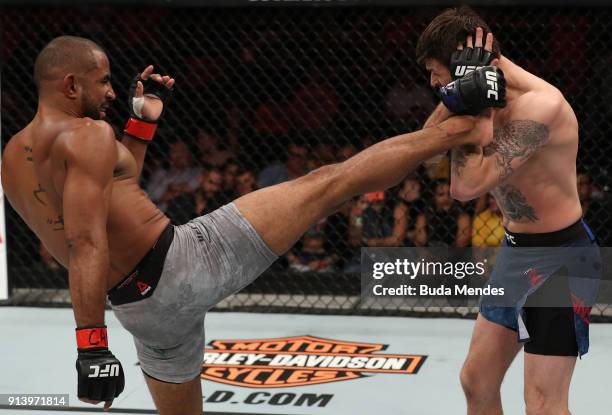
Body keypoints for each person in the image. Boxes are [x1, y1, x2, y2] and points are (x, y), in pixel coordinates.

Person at [1, 36, 493, 415]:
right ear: (69, 85)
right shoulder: (87, 134)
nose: (111, 91)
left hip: (142, 311)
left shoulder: (11, 158)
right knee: (330, 182)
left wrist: (143, 124)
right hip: (185, 263)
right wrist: (90, 347)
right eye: (103, 81)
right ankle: (464, 117)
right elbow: (87, 242)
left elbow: (112, 196)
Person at [417, 7, 599, 415]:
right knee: (475, 380)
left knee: (542, 404)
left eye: (436, 72)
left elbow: (464, 187)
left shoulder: (541, 106)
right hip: (515, 252)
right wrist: (460, 95)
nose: (432, 82)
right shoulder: (485, 93)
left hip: (560, 261)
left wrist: (472, 105)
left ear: (471, 62)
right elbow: (425, 144)